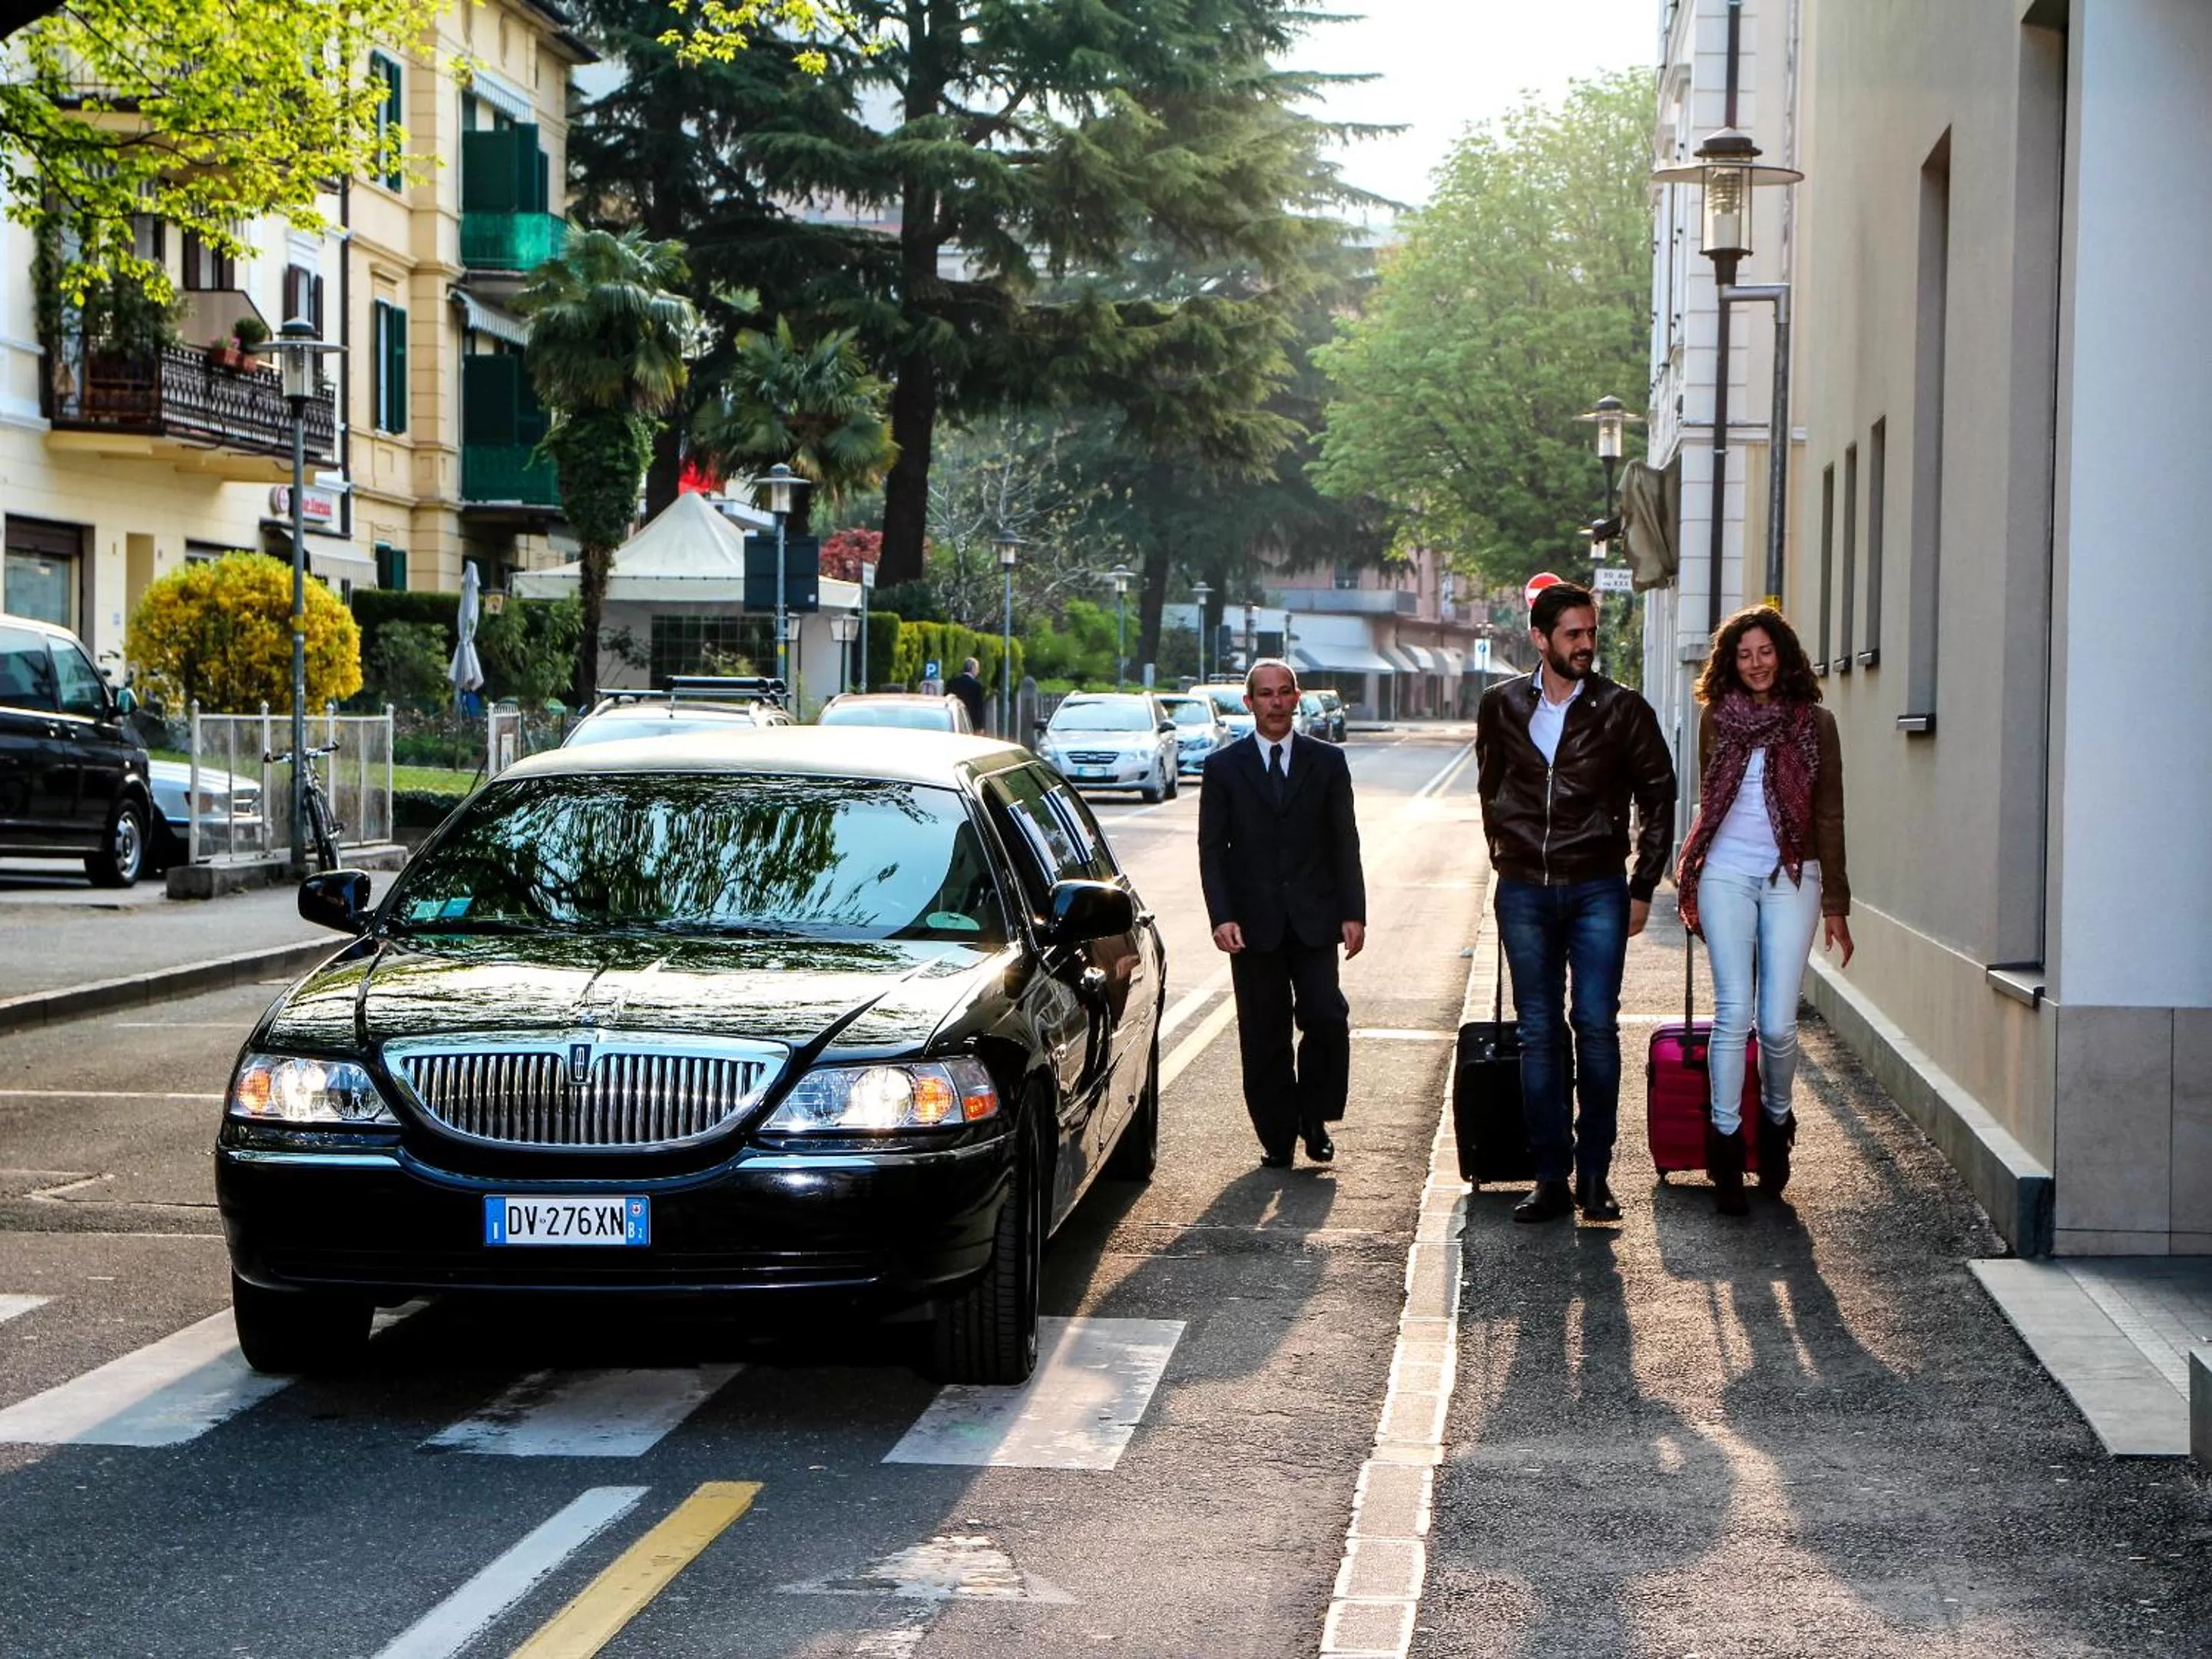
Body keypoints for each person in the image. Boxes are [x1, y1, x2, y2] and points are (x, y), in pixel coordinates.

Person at [1475, 581, 1677, 1224]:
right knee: (1539, 1032)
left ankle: (1595, 1176)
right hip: (1525, 892)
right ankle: (1548, 1177)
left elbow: (1659, 795)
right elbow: (1491, 786)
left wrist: (1642, 883)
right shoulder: (1501, 705)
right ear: (1540, 639)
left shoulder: (1623, 709)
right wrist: (1505, 852)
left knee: (1594, 1026)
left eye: (1591, 633)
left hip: (1597, 888)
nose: (1586, 644)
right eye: (1573, 634)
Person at [1675, 605, 1853, 1216]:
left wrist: (1837, 903)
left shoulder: (1815, 723)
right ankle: (1725, 1147)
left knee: (1777, 1024)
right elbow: (1711, 796)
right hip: (1726, 870)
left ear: (1784, 656)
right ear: (1731, 661)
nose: (1755, 664)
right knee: (1734, 1013)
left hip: (1793, 874)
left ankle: (1775, 1123)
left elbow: (1829, 813)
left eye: (1765, 652)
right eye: (1744, 654)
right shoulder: (1715, 721)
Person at [1198, 658, 1367, 1167]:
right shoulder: (1224, 768)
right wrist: (1221, 915)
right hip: (1252, 925)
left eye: (1284, 692)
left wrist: (1353, 912)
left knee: (1326, 1016)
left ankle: (1313, 1116)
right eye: (1265, 694)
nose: (1275, 702)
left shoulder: (1328, 762)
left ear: (1297, 698)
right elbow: (1212, 849)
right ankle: (1277, 1136)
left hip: (1315, 919)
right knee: (1264, 1032)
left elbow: (1345, 842)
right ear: (1249, 703)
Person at [945, 657, 988, 733]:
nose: (978, 671)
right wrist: (980, 727)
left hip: (951, 721)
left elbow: (946, 701)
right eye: (977, 668)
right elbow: (979, 708)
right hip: (970, 724)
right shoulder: (977, 686)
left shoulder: (952, 682)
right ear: (973, 668)